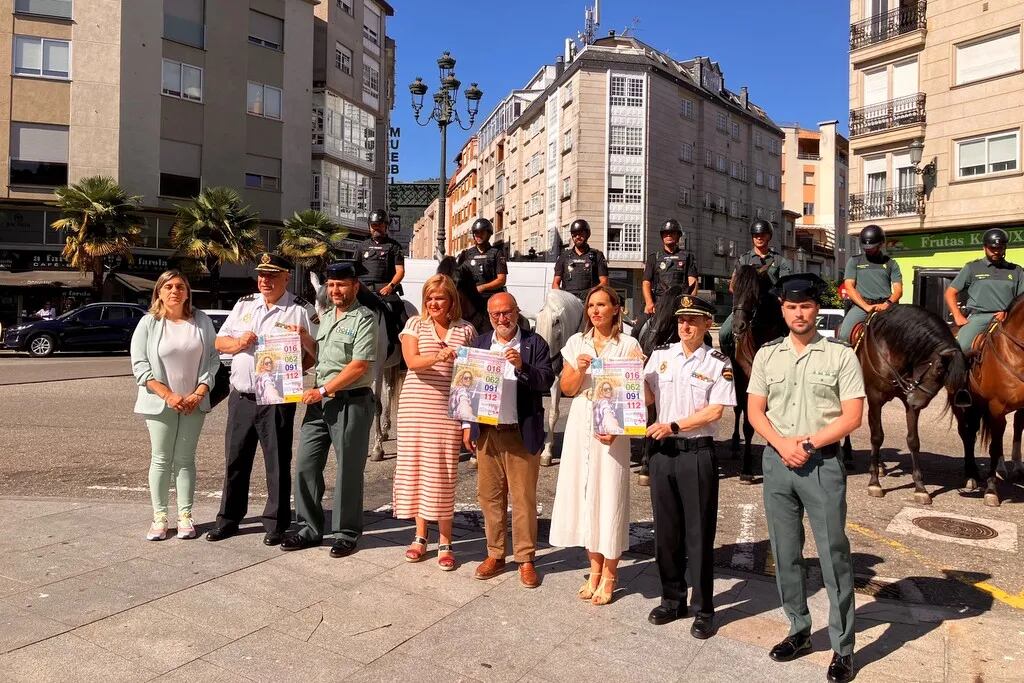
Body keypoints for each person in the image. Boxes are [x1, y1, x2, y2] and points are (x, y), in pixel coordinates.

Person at [746, 273, 865, 683]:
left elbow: (852, 416)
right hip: (778, 464)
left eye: (807, 306)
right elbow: (755, 411)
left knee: (834, 555)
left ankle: (842, 647)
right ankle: (798, 630)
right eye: (792, 307)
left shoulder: (840, 356)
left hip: (821, 465)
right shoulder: (766, 355)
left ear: (817, 309)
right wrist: (782, 444)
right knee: (786, 553)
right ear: (782, 309)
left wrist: (808, 444)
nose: (799, 313)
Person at [642, 295, 735, 638]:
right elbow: (649, 397)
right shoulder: (661, 356)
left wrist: (676, 425)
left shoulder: (717, 362)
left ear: (707, 324)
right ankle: (672, 599)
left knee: (698, 535)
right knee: (666, 534)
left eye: (694, 320)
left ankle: (704, 608)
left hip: (696, 454)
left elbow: (715, 412)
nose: (686, 326)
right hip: (662, 453)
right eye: (682, 320)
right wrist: (632, 380)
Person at [207, 253, 316, 546]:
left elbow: (317, 352)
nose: (265, 280)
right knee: (235, 460)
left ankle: (276, 523)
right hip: (242, 396)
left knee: (277, 463)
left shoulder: (300, 310)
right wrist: (239, 342)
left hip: (278, 398)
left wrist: (295, 364)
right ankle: (228, 519)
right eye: (261, 275)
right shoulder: (244, 305)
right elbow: (219, 342)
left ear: (286, 276)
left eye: (272, 274)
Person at [549, 285, 643, 605]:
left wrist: (620, 429)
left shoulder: (629, 345)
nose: (595, 311)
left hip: (613, 429)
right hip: (581, 422)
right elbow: (567, 387)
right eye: (591, 306)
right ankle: (594, 569)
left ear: (617, 309)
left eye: (602, 305)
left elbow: (633, 397)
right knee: (586, 496)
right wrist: (580, 368)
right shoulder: (577, 342)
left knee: (610, 496)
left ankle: (611, 574)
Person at [282, 261, 377, 558]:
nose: (336, 290)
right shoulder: (327, 316)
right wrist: (305, 339)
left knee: (348, 470)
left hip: (350, 401)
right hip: (319, 403)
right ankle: (310, 528)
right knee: (306, 466)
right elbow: (324, 356)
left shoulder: (365, 319)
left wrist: (322, 390)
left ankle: (346, 532)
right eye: (332, 285)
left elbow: (359, 365)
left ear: (355, 286)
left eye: (342, 284)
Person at [464, 292, 555, 588]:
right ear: (489, 317)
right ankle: (495, 553)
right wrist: (467, 424)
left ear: (516, 312)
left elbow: (546, 381)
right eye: (495, 315)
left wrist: (521, 367)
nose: (502, 319)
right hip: (488, 432)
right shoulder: (479, 344)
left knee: (524, 498)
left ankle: (525, 558)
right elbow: (467, 389)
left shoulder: (534, 343)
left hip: (520, 431)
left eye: (507, 313)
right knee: (490, 498)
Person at [393, 274, 477, 571]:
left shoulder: (466, 330)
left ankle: (445, 541)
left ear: (451, 300)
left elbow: (471, 378)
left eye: (439, 297)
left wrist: (469, 422)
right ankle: (419, 537)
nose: (433, 303)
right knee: (417, 470)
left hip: (447, 409)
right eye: (429, 297)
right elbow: (412, 362)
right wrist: (438, 356)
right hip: (415, 407)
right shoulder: (415, 324)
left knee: (442, 473)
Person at [130, 270, 220, 540]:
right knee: (160, 459)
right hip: (160, 402)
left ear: (187, 292)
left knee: (184, 460)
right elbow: (140, 366)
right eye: (168, 287)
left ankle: (185, 516)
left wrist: (199, 392)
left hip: (194, 402)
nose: (174, 291)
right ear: (159, 292)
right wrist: (168, 394)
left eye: (180, 286)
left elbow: (213, 360)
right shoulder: (149, 323)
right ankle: (159, 517)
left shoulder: (201, 321)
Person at [719, 220, 793, 355]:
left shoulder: (779, 261)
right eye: (756, 235)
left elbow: (785, 286)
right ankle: (729, 365)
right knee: (724, 333)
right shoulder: (744, 259)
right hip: (747, 306)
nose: (759, 238)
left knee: (791, 332)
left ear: (769, 236)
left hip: (771, 307)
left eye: (762, 235)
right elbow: (733, 286)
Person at [945, 228, 1024, 353]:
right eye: (992, 248)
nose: (996, 251)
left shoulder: (1016, 270)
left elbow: (1021, 300)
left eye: (1000, 248)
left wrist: (1007, 312)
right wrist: (958, 316)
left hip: (1006, 319)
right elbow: (950, 292)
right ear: (984, 248)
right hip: (979, 317)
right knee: (961, 348)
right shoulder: (972, 267)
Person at [838, 224, 902, 343]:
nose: (867, 249)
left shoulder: (891, 263)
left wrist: (887, 304)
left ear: (881, 244)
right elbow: (849, 287)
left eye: (871, 247)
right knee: (844, 335)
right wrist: (866, 306)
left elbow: (898, 290)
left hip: (886, 307)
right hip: (862, 307)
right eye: (865, 247)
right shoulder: (854, 261)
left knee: (906, 335)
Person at [355, 208, 407, 349]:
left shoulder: (394, 246)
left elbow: (400, 271)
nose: (376, 228)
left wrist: (391, 286)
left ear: (386, 226)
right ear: (369, 226)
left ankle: (403, 351)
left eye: (379, 225)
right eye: (374, 225)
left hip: (385, 288)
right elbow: (355, 270)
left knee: (401, 315)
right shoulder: (361, 246)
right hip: (363, 289)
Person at [639, 219, 697, 328]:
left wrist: (689, 303)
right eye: (665, 233)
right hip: (658, 303)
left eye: (672, 232)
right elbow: (646, 283)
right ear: (662, 236)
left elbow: (693, 282)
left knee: (705, 336)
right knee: (637, 330)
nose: (668, 235)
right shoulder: (653, 258)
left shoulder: (688, 257)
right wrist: (649, 303)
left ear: (678, 236)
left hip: (681, 304)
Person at [552, 219, 609, 300]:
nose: (577, 237)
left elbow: (604, 282)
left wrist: (591, 292)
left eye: (580, 234)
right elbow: (555, 283)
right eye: (574, 235)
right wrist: (561, 299)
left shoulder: (597, 255)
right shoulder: (564, 256)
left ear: (587, 234)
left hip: (589, 300)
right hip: (569, 301)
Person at [456, 218, 507, 304]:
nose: (479, 236)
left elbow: (501, 280)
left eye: (482, 232)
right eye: (476, 233)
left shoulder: (497, 253)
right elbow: (459, 276)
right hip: (472, 299)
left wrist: (482, 287)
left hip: (493, 298)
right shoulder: (467, 254)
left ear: (489, 234)